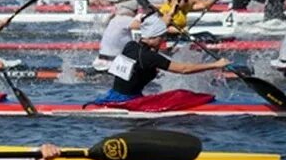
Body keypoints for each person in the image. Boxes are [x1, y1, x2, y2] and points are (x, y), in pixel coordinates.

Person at [94, 15, 230, 103]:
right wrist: (216, 64)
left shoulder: (131, 45)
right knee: (185, 96)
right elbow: (184, 69)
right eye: (162, 37)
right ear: (153, 37)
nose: (163, 40)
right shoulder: (149, 57)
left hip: (113, 95)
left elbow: (138, 66)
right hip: (128, 101)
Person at [93, 0, 141, 71]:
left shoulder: (115, 19)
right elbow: (145, 26)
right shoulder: (125, 19)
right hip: (112, 64)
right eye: (137, 11)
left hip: (102, 61)